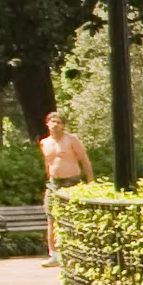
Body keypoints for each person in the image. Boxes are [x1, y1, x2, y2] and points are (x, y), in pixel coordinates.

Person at [35, 110, 91, 260]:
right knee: (51, 217)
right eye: (52, 122)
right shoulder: (44, 142)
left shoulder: (71, 140)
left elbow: (84, 160)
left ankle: (76, 251)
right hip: (54, 184)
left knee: (73, 217)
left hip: (71, 181)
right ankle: (53, 253)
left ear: (63, 125)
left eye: (58, 122)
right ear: (47, 124)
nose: (55, 125)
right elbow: (48, 163)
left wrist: (90, 181)